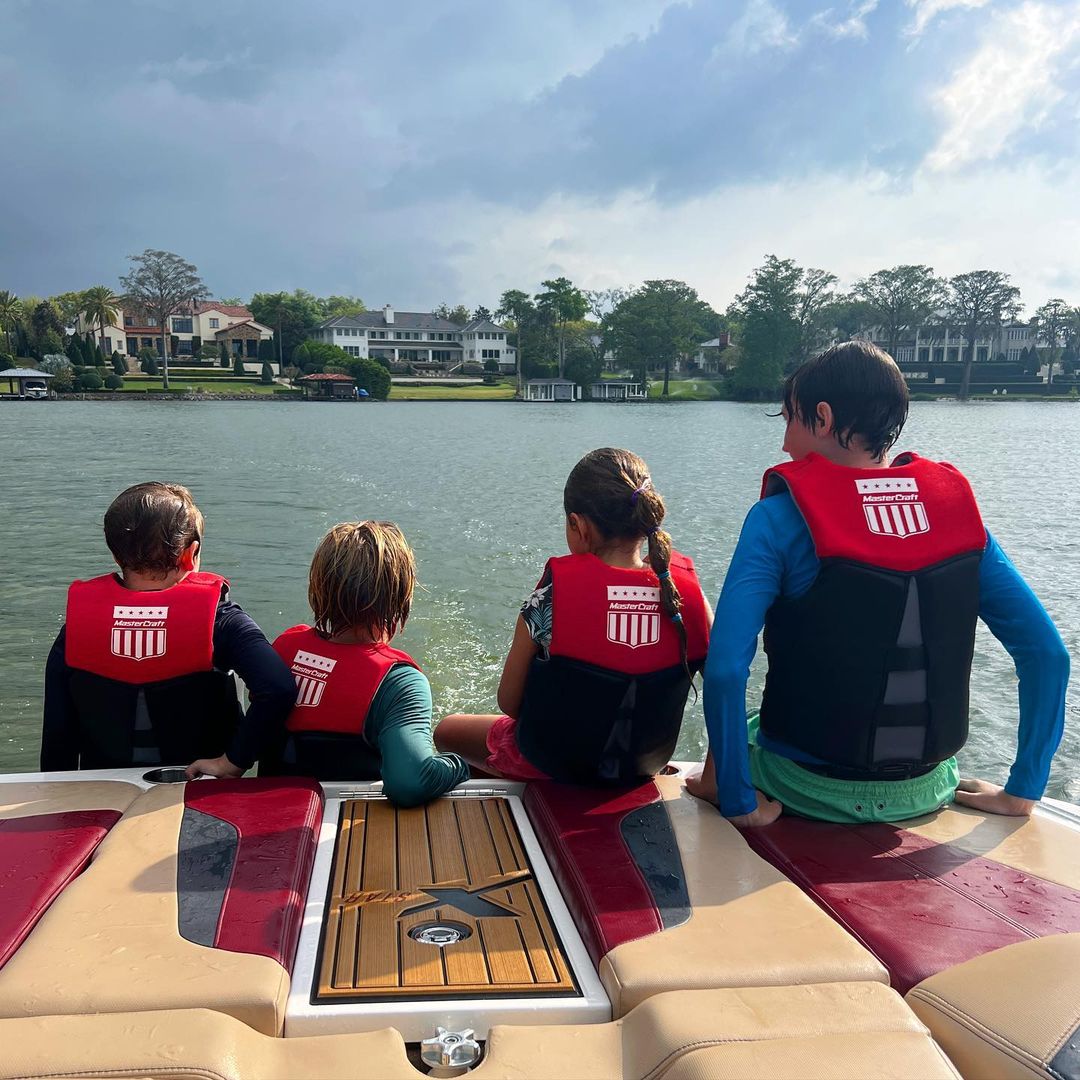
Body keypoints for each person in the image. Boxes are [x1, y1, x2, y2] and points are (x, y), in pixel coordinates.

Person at [687, 341, 1070, 826]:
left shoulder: (777, 519)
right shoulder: (959, 516)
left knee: (743, 730)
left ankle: (722, 789)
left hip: (802, 785)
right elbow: (1048, 656)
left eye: (789, 419)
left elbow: (724, 671)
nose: (784, 442)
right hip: (927, 787)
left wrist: (741, 805)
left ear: (822, 418)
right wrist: (1022, 791)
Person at [436, 447, 711, 784]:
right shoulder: (688, 598)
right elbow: (722, 689)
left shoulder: (549, 598)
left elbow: (509, 702)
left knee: (446, 731)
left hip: (548, 764)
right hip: (640, 768)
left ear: (577, 525)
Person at [42, 482, 295, 777]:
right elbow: (278, 689)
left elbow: (57, 736)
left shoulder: (77, 627)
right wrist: (234, 761)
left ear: (115, 555)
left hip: (105, 789)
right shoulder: (220, 620)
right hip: (198, 787)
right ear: (191, 553)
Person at [264, 521, 469, 805]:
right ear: (399, 596)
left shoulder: (283, 649)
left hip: (272, 807)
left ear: (319, 587)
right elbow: (410, 783)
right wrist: (461, 766)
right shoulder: (399, 684)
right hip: (350, 821)